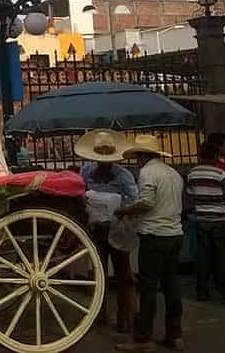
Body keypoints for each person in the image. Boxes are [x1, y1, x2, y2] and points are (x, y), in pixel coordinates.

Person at [114, 135, 184, 352]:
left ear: (143, 156)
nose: (136, 161)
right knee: (172, 285)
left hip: (154, 236)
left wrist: (123, 211)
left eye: (137, 157)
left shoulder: (147, 173)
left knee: (149, 287)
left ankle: (143, 337)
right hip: (175, 234)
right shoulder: (173, 173)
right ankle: (175, 334)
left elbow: (147, 203)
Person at [76, 129, 139, 333]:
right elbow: (79, 195)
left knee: (124, 275)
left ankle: (125, 318)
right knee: (97, 272)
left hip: (118, 229)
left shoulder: (124, 176)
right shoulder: (85, 172)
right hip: (95, 229)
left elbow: (134, 200)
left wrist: (119, 209)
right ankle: (98, 314)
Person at [185, 141, 225, 303]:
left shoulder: (192, 174)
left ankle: (202, 291)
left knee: (203, 256)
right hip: (220, 220)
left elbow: (190, 195)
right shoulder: (221, 174)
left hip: (201, 220)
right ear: (215, 156)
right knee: (222, 257)